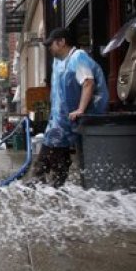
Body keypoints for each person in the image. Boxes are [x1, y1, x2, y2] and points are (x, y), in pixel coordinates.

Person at [33, 27, 108, 187]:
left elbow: (88, 82)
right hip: (61, 121)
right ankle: (52, 190)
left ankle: (47, 191)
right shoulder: (59, 62)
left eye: (51, 44)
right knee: (56, 160)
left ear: (61, 42)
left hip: (71, 121)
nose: (49, 48)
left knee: (46, 163)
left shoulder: (78, 57)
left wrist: (80, 109)